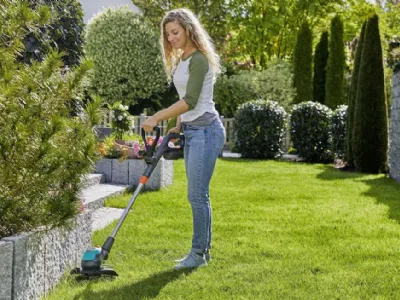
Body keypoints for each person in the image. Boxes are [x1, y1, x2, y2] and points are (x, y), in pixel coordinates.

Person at [141, 8, 226, 270]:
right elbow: (189, 102)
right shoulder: (183, 60)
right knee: (200, 195)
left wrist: (157, 117)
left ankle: (198, 254)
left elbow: (190, 101)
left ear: (188, 29)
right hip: (192, 131)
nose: (171, 38)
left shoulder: (199, 59)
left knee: (197, 196)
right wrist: (175, 127)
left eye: (175, 32)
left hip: (206, 132)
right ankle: (203, 251)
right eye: (167, 34)